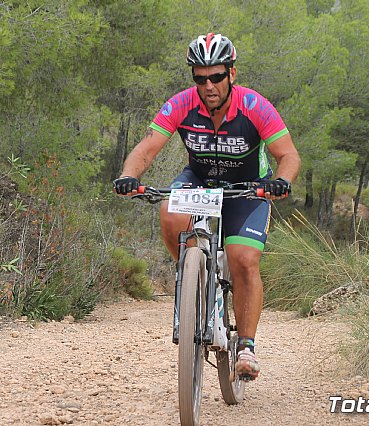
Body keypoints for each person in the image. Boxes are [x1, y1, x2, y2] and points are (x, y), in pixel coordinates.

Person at [113, 33, 301, 380]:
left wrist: (281, 182)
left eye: (216, 76)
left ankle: (246, 345)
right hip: (200, 180)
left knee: (243, 259)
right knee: (169, 212)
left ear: (232, 73)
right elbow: (147, 148)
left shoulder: (255, 106)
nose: (208, 85)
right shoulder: (182, 104)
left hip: (248, 189)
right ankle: (192, 275)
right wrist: (128, 174)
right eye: (200, 78)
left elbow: (288, 155)